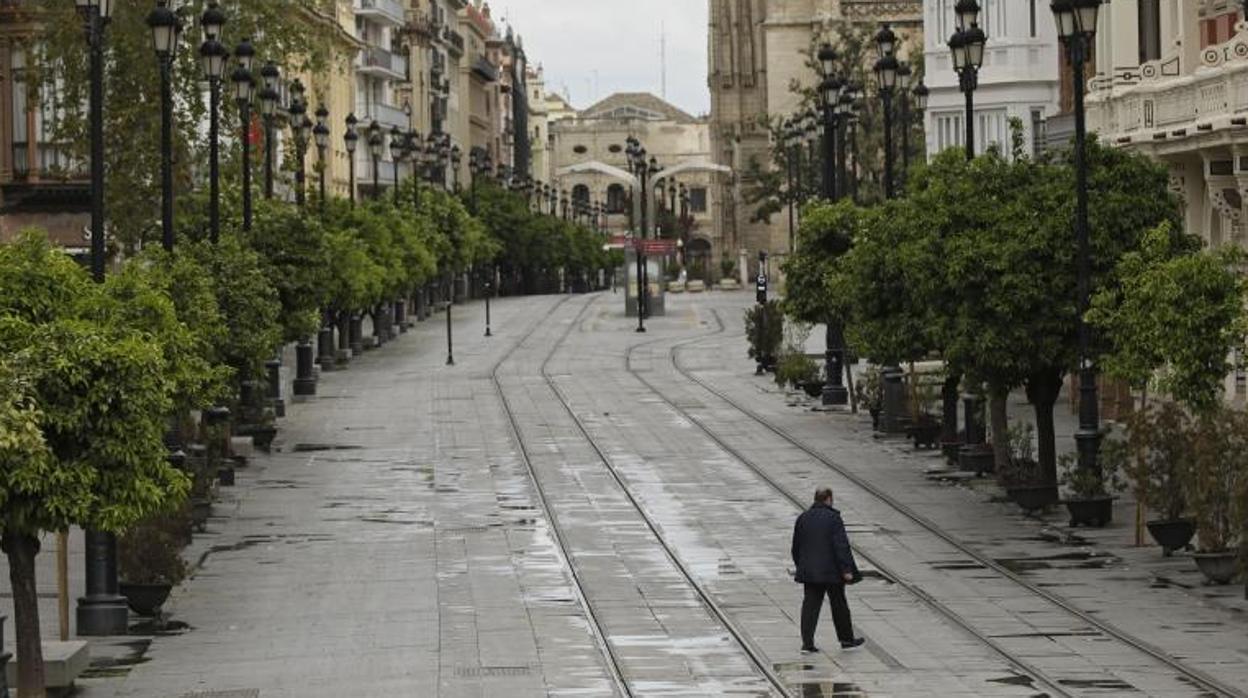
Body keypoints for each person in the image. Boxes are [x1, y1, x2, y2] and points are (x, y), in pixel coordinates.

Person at [791, 487, 864, 652]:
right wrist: (846, 569)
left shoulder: (803, 518)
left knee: (810, 607)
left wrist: (801, 566)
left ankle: (807, 644)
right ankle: (846, 639)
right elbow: (841, 546)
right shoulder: (834, 518)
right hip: (832, 572)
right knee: (839, 604)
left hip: (810, 572)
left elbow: (796, 547)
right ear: (829, 499)